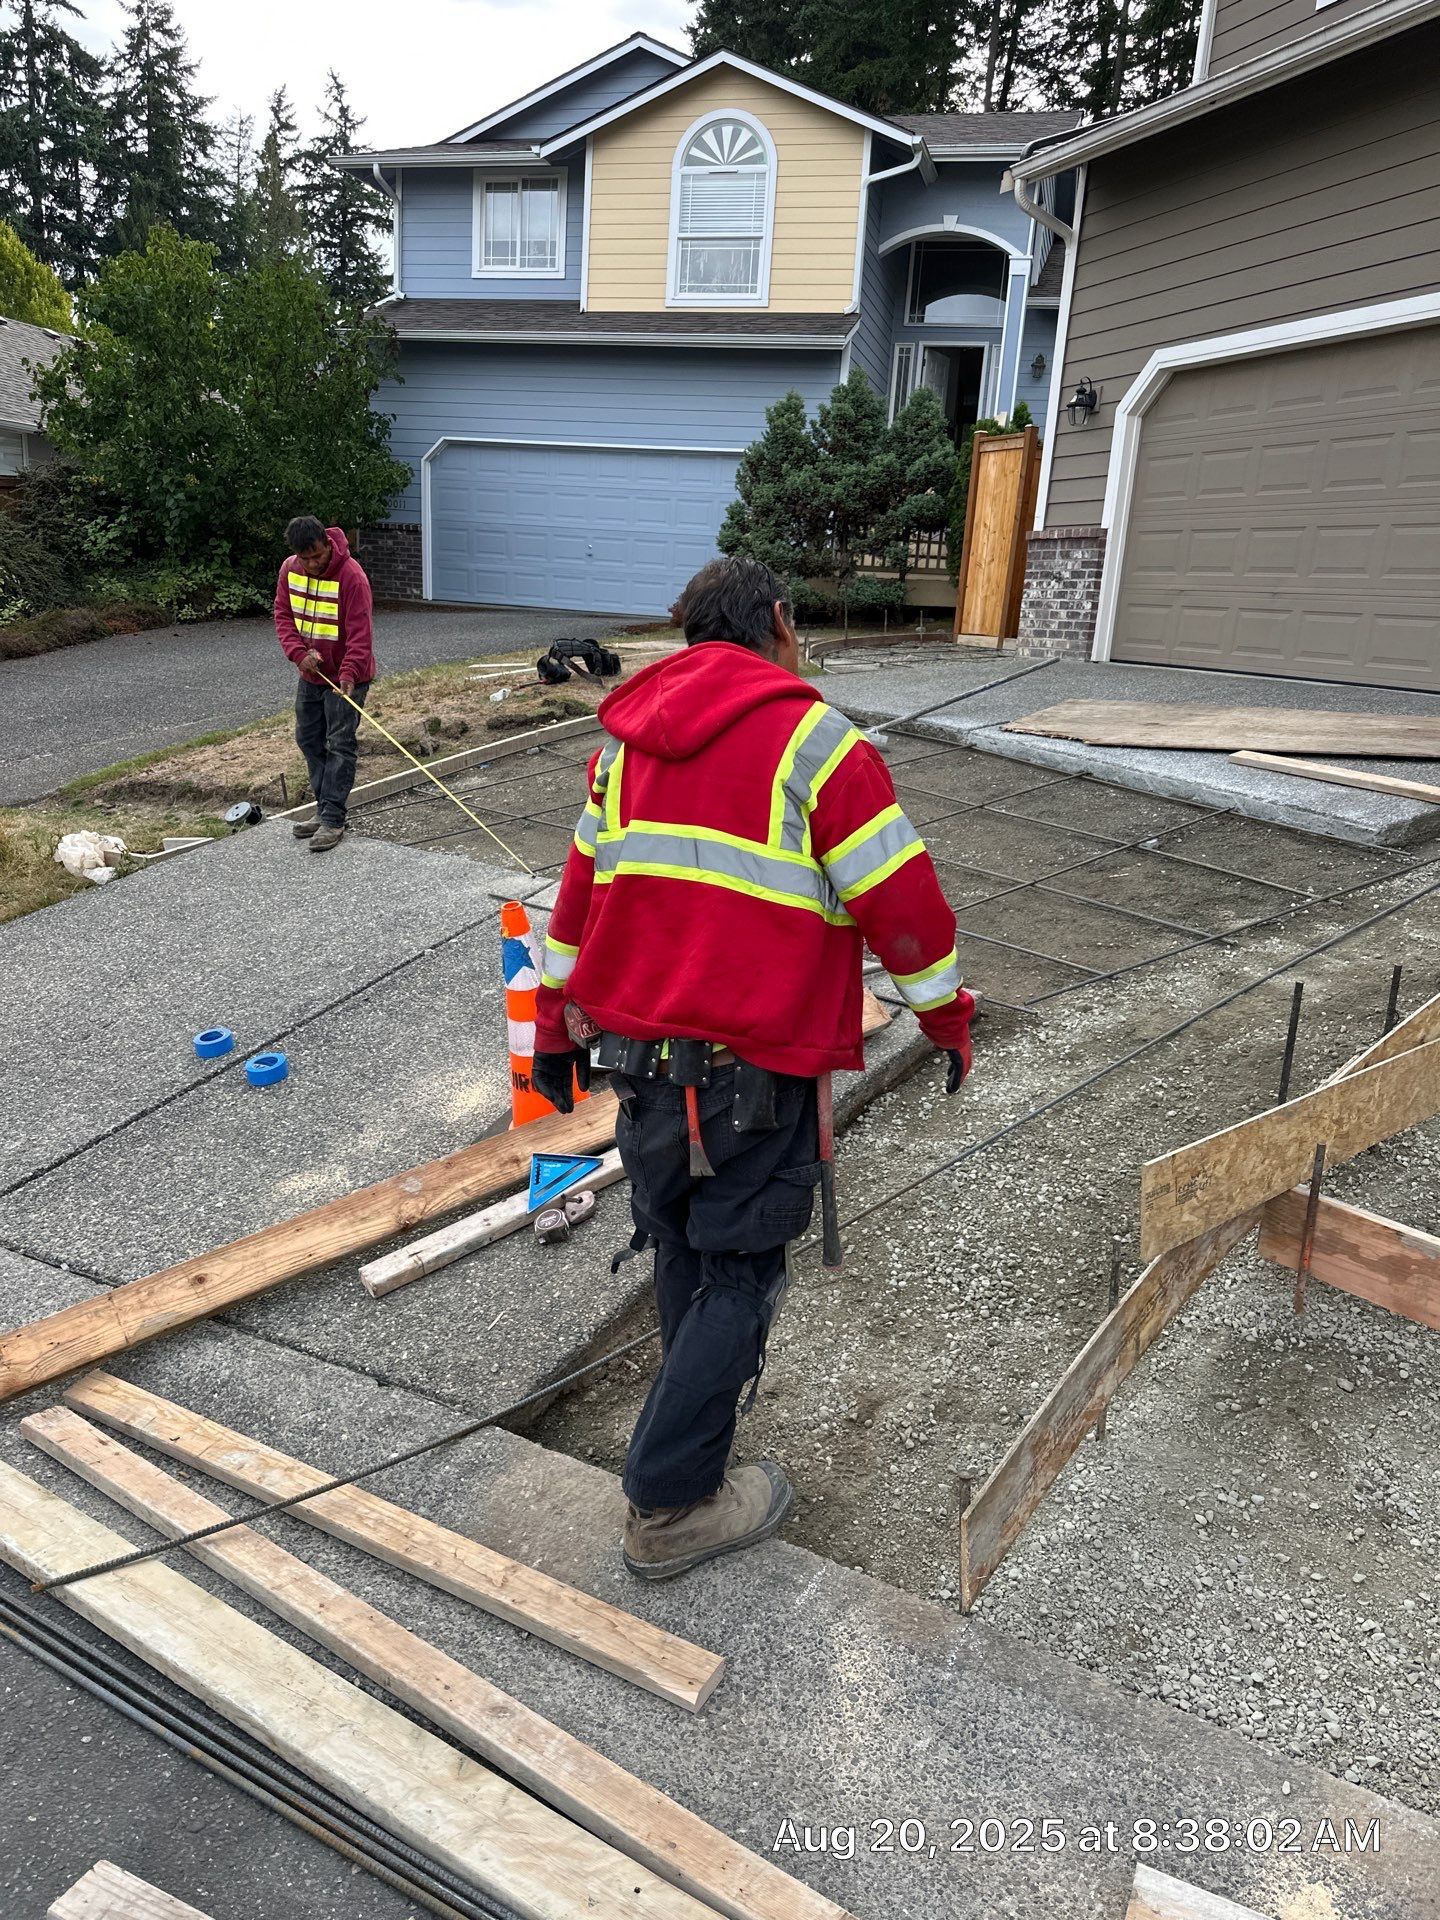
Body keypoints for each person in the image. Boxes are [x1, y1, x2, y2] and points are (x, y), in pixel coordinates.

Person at [531, 556, 975, 1582]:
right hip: (754, 1075)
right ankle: (671, 1503)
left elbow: (578, 900)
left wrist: (556, 1031)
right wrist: (947, 1021)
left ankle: (688, 1459)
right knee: (737, 1270)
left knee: (685, 1244)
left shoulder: (622, 750)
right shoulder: (819, 746)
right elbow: (903, 910)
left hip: (639, 1068)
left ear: (689, 632)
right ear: (778, 621)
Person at [273, 515, 376, 852]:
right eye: (305, 558)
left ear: (327, 543)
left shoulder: (352, 577)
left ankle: (333, 818)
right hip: (310, 674)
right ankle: (323, 807)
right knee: (308, 739)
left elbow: (361, 634)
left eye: (317, 555)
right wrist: (297, 653)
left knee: (339, 743)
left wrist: (348, 672)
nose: (313, 564)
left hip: (348, 678)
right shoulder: (290, 569)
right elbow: (283, 615)